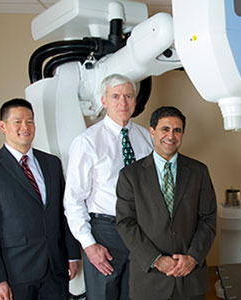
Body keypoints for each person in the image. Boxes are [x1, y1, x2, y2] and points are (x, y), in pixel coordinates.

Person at [0, 98, 80, 300]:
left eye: (30, 121)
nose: (25, 127)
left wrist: (72, 253)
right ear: (3, 126)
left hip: (55, 268)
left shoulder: (51, 163)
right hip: (15, 272)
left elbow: (63, 211)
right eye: (18, 122)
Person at [63, 74, 153, 300]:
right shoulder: (87, 142)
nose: (122, 103)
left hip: (141, 231)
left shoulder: (145, 138)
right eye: (115, 96)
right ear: (104, 101)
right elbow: (73, 199)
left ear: (135, 101)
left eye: (128, 96)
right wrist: (89, 244)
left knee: (137, 294)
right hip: (105, 232)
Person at [116, 106, 217, 300]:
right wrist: (155, 259)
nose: (171, 136)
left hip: (190, 278)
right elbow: (125, 223)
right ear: (152, 131)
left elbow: (208, 218)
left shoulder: (199, 172)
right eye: (165, 129)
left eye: (177, 130)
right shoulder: (130, 176)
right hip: (149, 280)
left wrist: (193, 257)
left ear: (182, 134)